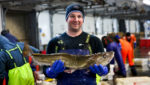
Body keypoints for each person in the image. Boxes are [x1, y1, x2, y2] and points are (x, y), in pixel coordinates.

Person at [46, 3, 108, 85]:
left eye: (79, 16)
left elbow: (107, 67)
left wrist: (103, 70)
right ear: (66, 19)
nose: (76, 20)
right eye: (72, 16)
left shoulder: (94, 41)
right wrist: (51, 72)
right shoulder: (54, 42)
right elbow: (45, 69)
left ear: (83, 19)